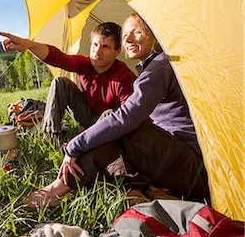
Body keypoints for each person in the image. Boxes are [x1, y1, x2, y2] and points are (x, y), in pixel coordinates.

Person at [24, 13, 211, 208]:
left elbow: (127, 119)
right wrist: (29, 44)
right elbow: (60, 58)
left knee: (118, 124)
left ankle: (61, 186)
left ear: (154, 35)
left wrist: (75, 145)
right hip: (181, 162)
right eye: (126, 34)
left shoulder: (159, 68)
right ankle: (118, 184)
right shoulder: (156, 65)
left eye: (137, 32)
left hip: (193, 170)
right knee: (111, 123)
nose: (128, 39)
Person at [0, 22, 137, 139]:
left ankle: (87, 138)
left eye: (105, 46)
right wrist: (28, 44)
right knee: (60, 82)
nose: (97, 51)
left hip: (108, 127)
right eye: (95, 45)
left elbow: (130, 118)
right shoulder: (86, 64)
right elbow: (58, 58)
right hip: (87, 115)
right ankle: (50, 135)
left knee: (110, 114)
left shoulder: (124, 77)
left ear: (118, 50)